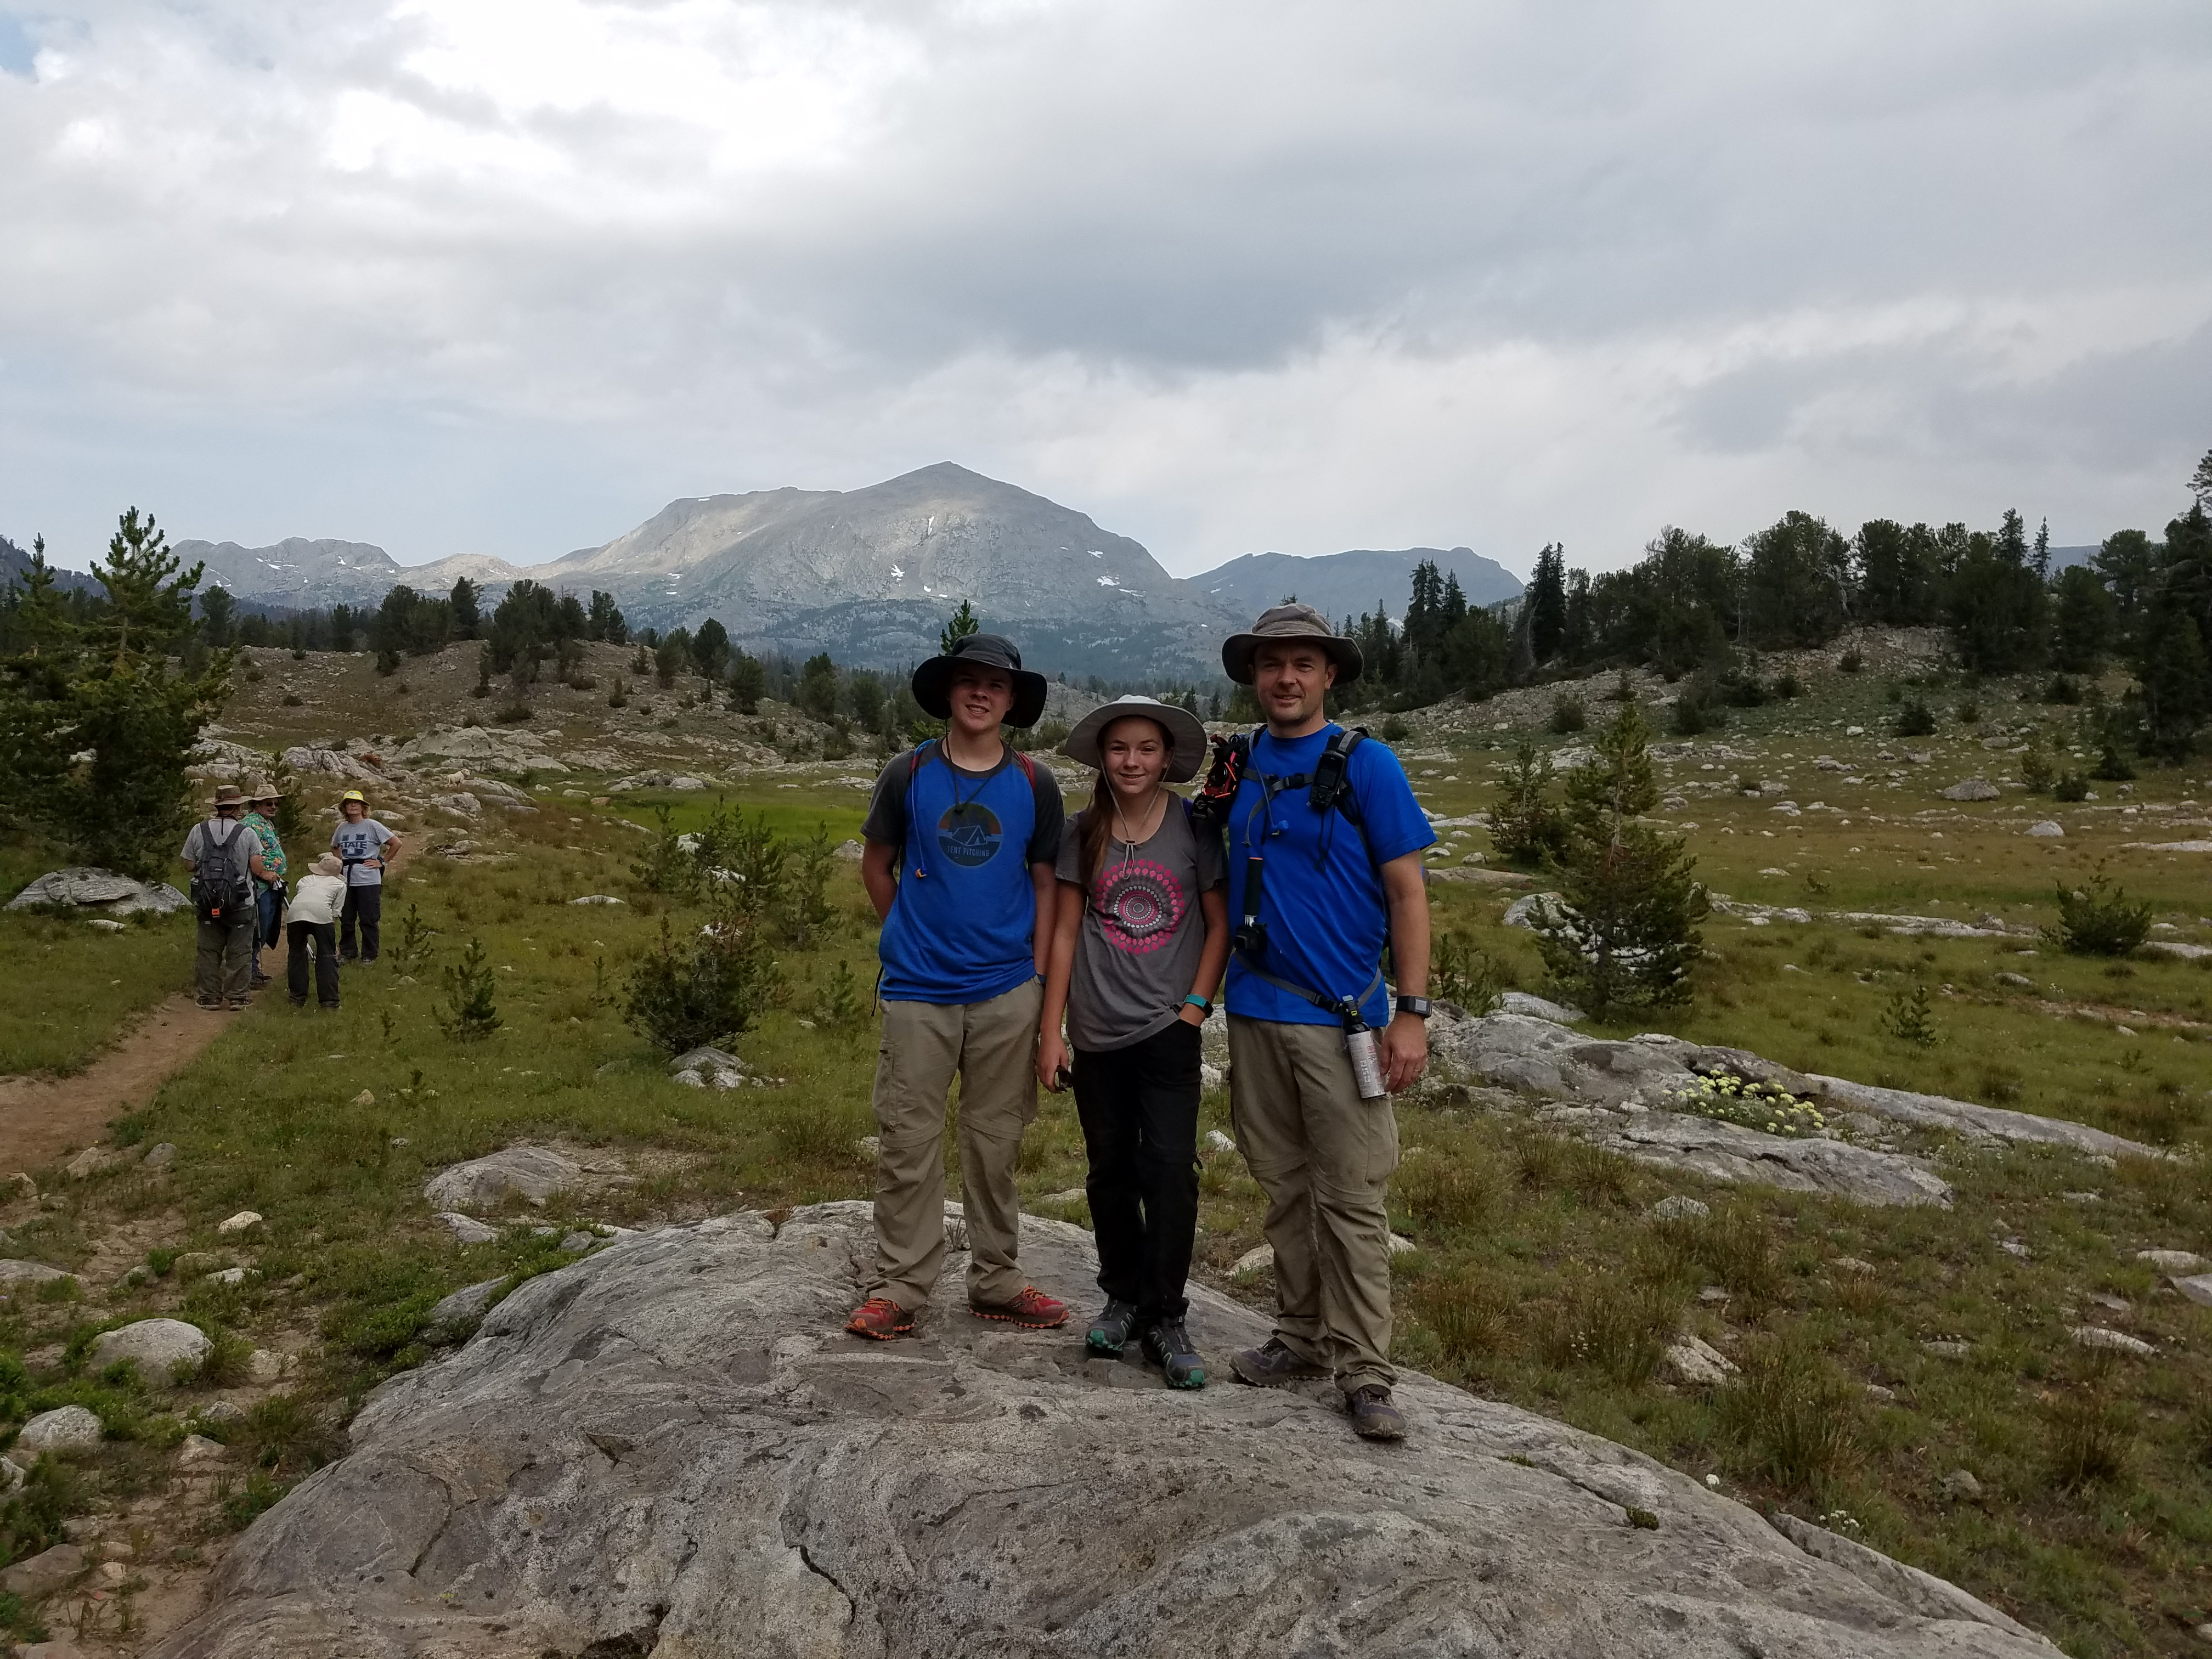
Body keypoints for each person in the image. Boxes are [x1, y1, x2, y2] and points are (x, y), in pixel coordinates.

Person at [1211, 603, 1435, 1442]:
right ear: (1255, 675)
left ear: (1329, 675)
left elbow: (1409, 892)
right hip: (1254, 1012)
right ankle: (1300, 1337)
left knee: (1352, 1199)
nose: (1287, 678)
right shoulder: (1235, 765)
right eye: (1273, 664)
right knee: (1282, 1189)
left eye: (1304, 663)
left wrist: (1410, 1014)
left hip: (1344, 1021)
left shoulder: (1368, 765)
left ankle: (1366, 1373)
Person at [844, 633, 1069, 1341]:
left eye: (995, 685)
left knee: (995, 1140)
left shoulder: (1035, 784)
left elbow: (1045, 887)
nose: (980, 693)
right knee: (908, 1139)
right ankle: (900, 1288)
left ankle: (996, 1279)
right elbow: (876, 866)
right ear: (948, 691)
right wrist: (908, 933)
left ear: (1010, 700)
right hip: (918, 992)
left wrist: (1034, 981)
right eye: (968, 681)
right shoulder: (907, 774)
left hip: (1006, 992)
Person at [1036, 696, 1227, 1388]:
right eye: (1120, 749)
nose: (1133, 761)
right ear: (1102, 756)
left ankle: (1166, 1314)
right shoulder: (1082, 829)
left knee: (1172, 1172)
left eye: (1147, 749)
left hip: (1168, 1030)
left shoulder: (1191, 824)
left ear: (1167, 757)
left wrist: (1196, 1008)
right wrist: (1051, 1031)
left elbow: (1218, 922)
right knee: (1109, 1170)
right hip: (1095, 1031)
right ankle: (1120, 1297)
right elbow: (1062, 932)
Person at [180, 783, 270, 1011]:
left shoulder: (198, 830)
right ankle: (237, 997)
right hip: (241, 901)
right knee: (240, 950)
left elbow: (189, 865)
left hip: (207, 901)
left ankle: (209, 996)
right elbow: (257, 868)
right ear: (238, 806)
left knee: (208, 950)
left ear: (218, 805)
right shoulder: (247, 833)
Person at [331, 788, 399, 963]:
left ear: (363, 807)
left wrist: (382, 862)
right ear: (344, 808)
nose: (352, 806)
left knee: (368, 918)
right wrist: (339, 865)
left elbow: (395, 843)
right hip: (347, 879)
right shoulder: (342, 828)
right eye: (348, 803)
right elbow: (335, 846)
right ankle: (348, 952)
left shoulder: (373, 825)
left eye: (356, 803)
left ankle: (370, 955)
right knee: (346, 918)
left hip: (368, 879)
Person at [240, 776, 289, 990]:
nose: (273, 807)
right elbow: (248, 855)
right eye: (269, 803)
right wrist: (263, 874)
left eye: (276, 803)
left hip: (270, 884)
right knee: (258, 927)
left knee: (266, 926)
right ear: (256, 805)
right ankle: (247, 972)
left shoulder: (265, 823)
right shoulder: (250, 824)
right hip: (259, 885)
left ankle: (252, 968)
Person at [284, 853, 347, 1010]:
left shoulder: (305, 880)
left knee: (296, 954)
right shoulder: (339, 885)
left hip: (294, 914)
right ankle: (329, 1002)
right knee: (326, 956)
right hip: (321, 915)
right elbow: (335, 913)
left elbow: (301, 896)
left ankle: (297, 998)